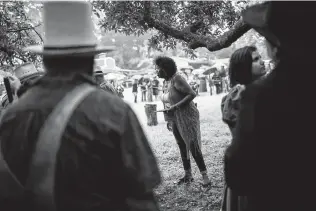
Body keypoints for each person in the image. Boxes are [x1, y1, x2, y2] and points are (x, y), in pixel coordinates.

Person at [0, 1, 161, 211]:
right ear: (90, 60)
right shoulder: (112, 111)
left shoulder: (11, 115)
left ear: (46, 60)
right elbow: (141, 199)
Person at [224, 2, 316, 211]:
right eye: (255, 59)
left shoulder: (262, 94)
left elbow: (239, 172)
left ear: (276, 44)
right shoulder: (243, 93)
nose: (262, 60)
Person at [220, 46, 266, 211]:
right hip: (251, 167)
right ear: (243, 67)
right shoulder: (238, 95)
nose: (262, 62)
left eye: (260, 57)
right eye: (255, 59)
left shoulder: (260, 90)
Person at [155, 56, 211, 186]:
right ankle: (188, 175)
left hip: (187, 116)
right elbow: (169, 100)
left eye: (158, 68)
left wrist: (176, 106)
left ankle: (205, 177)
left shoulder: (178, 78)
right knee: (181, 145)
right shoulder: (167, 82)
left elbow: (192, 94)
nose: (156, 71)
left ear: (165, 69)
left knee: (192, 145)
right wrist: (169, 117)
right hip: (176, 117)